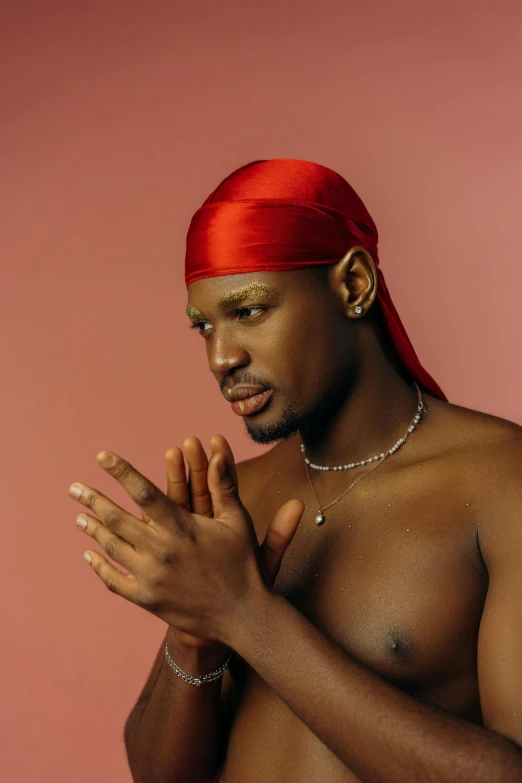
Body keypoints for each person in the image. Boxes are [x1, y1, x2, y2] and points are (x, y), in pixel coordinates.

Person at [70, 159, 522, 782]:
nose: (220, 357)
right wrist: (194, 632)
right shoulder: (240, 496)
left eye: (249, 311)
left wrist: (247, 616)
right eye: (203, 327)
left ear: (354, 285)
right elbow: (160, 775)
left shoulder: (500, 481)